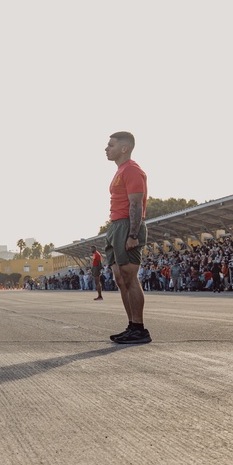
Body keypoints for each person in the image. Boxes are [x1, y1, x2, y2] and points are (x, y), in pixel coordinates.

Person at [104, 131, 151, 344]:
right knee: (120, 279)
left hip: (127, 225)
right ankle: (131, 325)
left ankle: (140, 329)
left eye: (110, 145)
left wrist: (133, 234)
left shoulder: (131, 170)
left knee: (130, 277)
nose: (106, 149)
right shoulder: (120, 171)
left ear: (124, 148)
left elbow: (136, 204)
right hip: (115, 226)